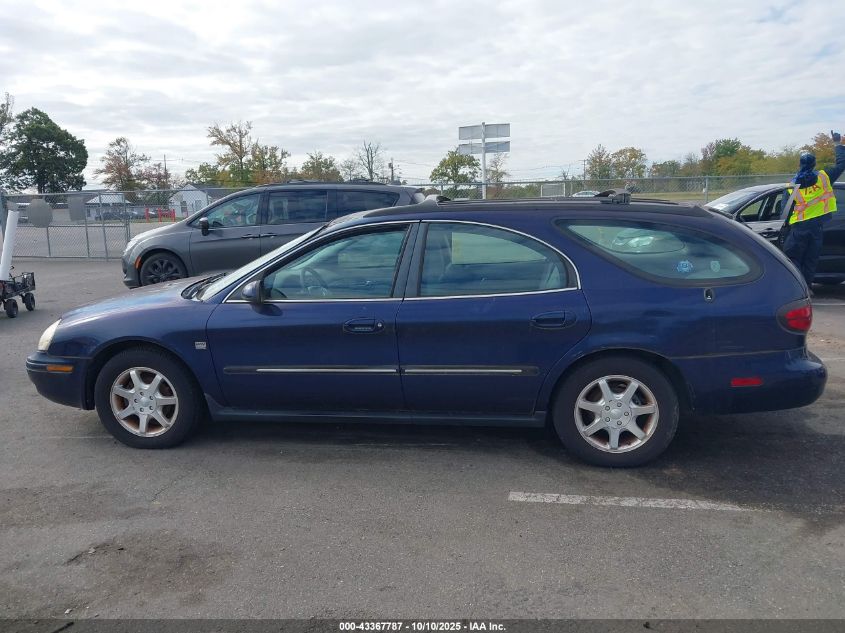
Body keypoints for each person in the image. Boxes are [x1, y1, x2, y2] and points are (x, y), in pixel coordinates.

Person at [783, 131, 845, 289]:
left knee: (792, 259)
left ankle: (798, 288)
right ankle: (808, 287)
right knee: (811, 260)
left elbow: (785, 209)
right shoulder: (825, 177)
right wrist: (837, 143)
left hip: (798, 228)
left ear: (799, 164)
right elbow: (841, 164)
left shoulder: (792, 185)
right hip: (817, 227)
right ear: (814, 164)